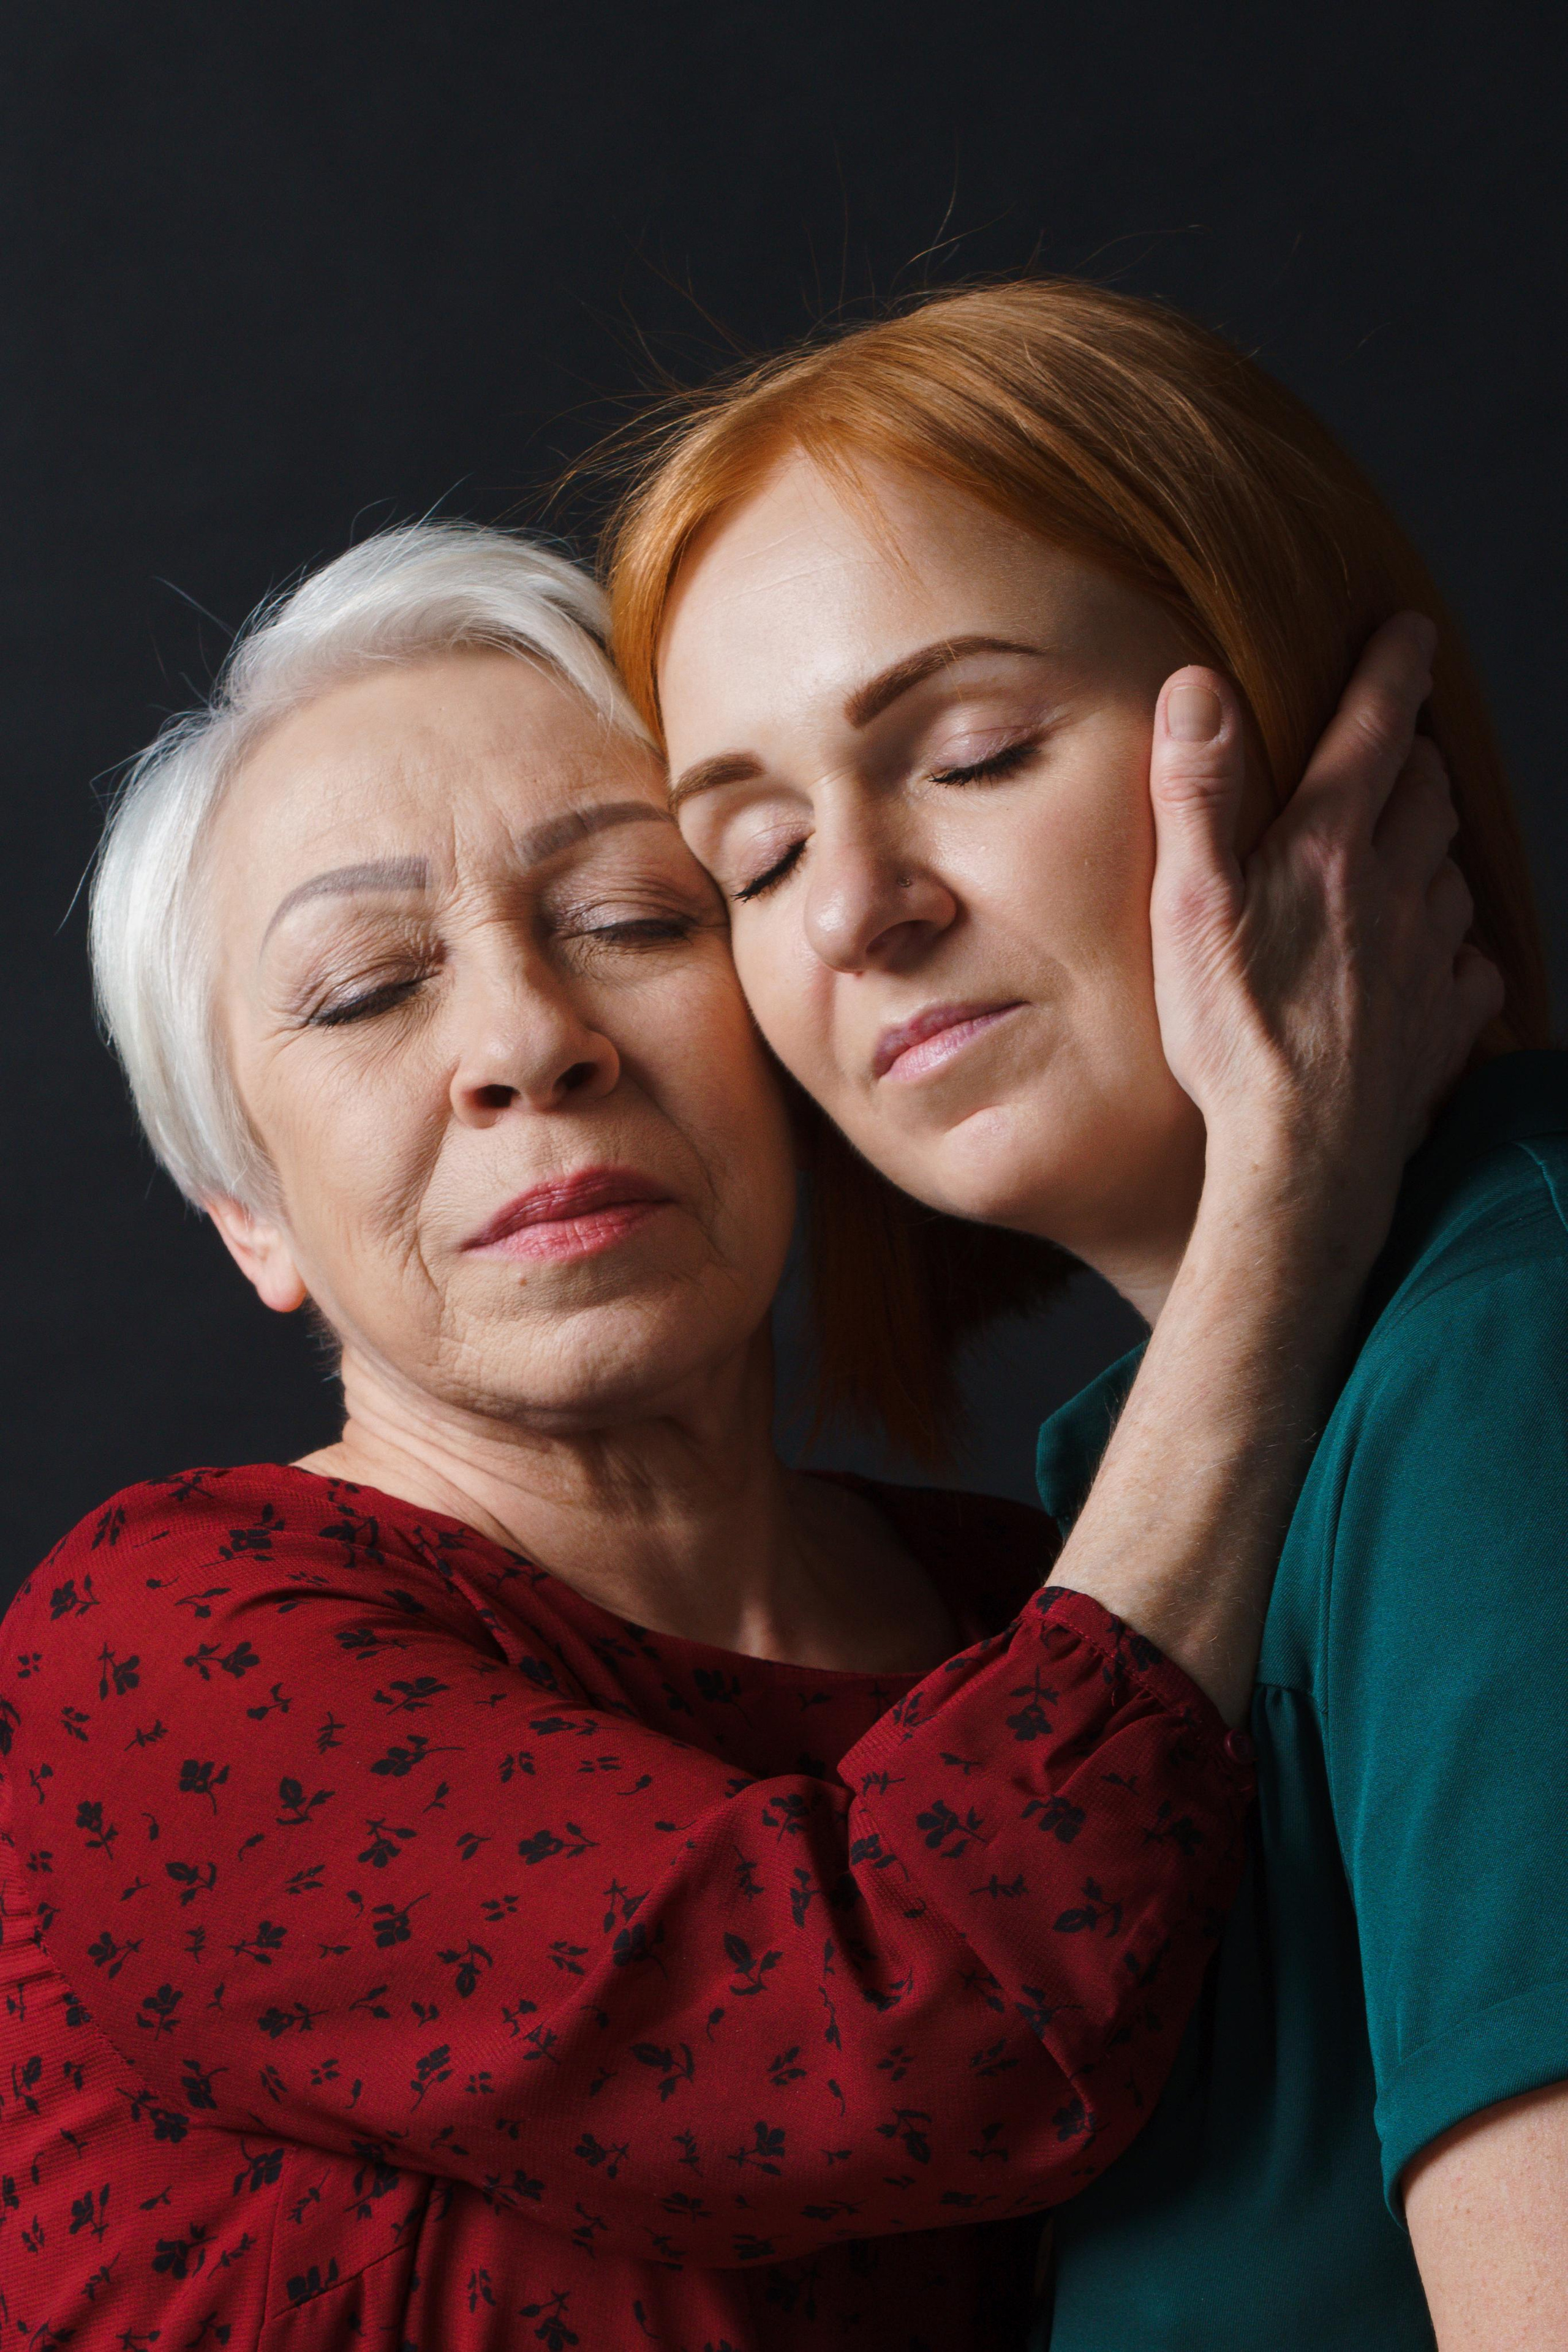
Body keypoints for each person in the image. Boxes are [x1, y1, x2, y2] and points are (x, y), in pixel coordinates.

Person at [0, 522, 1478, 2352]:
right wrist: (1287, 1202)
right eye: (372, 989)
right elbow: (899, 2031)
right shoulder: (167, 1650)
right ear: (248, 1211)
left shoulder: (1036, 1596)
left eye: (635, 921)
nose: (529, 1043)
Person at [608, 275, 1566, 2349]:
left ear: (1317, 725)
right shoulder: (1128, 1521)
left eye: (971, 751)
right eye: (753, 857)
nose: (859, 905)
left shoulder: (1509, 1363)